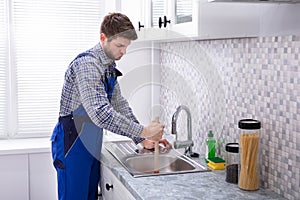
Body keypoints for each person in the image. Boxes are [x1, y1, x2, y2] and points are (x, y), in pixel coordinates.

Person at [50, 12, 170, 200]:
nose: (123, 52)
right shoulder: (87, 66)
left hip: (90, 142)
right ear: (103, 38)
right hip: (72, 144)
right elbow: (100, 114)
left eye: (126, 46)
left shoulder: (108, 67)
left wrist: (140, 138)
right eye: (119, 45)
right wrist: (144, 131)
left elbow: (119, 105)